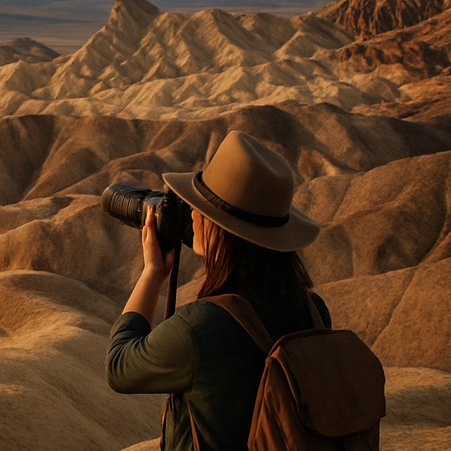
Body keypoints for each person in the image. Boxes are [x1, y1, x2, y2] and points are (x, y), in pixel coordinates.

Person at [105, 130, 329, 450]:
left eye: (202, 209)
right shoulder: (314, 311)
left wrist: (152, 273)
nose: (193, 215)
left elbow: (119, 366)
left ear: (220, 230)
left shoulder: (201, 327)